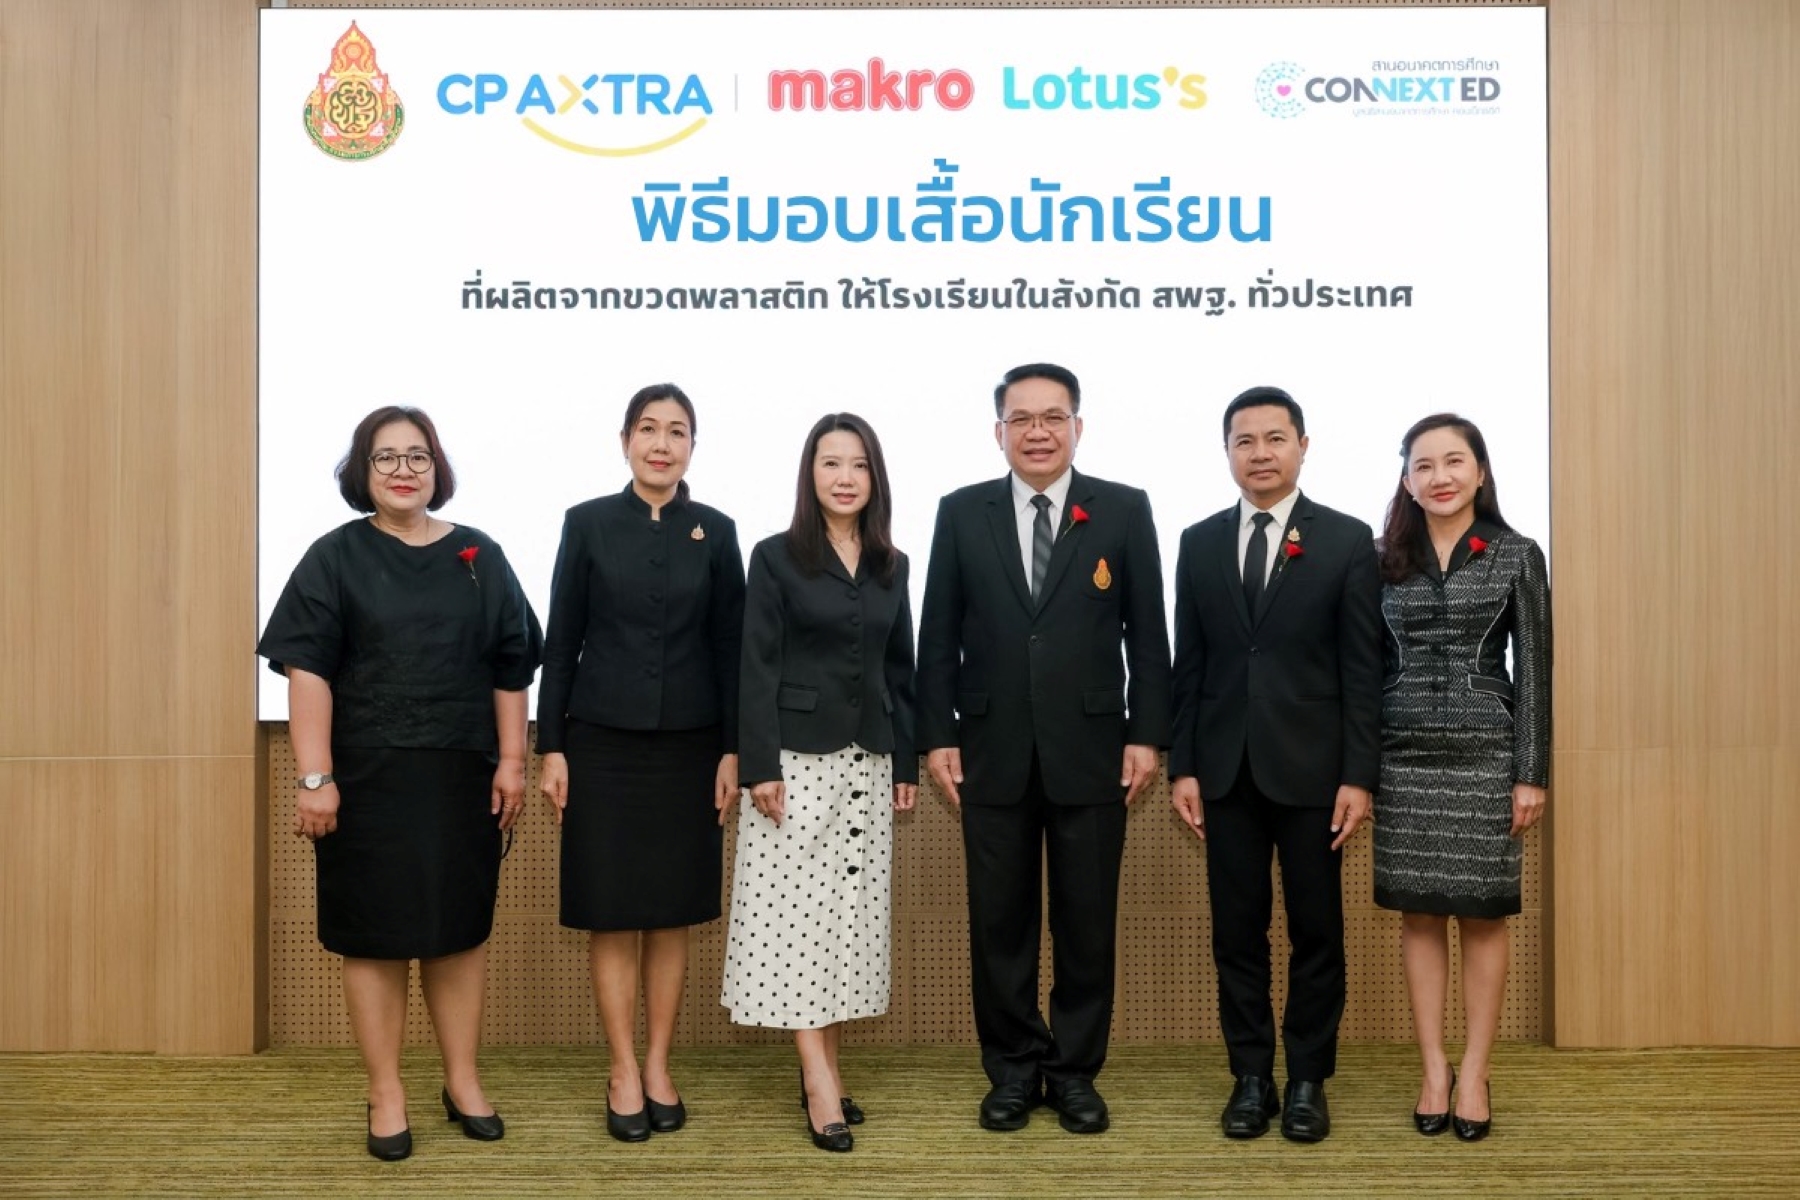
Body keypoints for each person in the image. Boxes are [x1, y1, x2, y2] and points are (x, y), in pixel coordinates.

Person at [258, 405, 542, 1161]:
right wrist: (314, 776)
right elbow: (307, 670)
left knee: (457, 935)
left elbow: (512, 666)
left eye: (418, 456)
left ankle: (462, 1081)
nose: (403, 470)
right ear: (363, 471)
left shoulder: (481, 555)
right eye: (385, 457)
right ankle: (385, 1091)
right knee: (374, 939)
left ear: (436, 468)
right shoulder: (335, 556)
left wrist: (513, 761)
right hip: (365, 781)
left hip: (462, 778)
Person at [916, 363, 1171, 1136]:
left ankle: (1074, 1073)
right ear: (999, 431)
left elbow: (1147, 636)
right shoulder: (962, 512)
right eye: (1021, 419)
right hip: (989, 751)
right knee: (1000, 925)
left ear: (1077, 428)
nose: (1038, 431)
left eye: (1053, 417)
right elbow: (938, 635)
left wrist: (1146, 734)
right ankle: (1014, 1070)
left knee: (1086, 924)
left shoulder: (1123, 509)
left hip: (1093, 752)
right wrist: (938, 735)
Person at [1168, 385, 1381, 1144]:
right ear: (1227, 452)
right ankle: (1251, 1077)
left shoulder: (1347, 540)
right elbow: (1188, 665)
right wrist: (1183, 766)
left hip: (1316, 776)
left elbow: (1363, 669)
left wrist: (1358, 775)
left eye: (1274, 438)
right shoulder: (1197, 541)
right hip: (1224, 773)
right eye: (1244, 441)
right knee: (1238, 933)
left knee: (1316, 932)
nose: (1259, 453)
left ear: (1302, 446)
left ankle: (1309, 1080)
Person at [536, 383, 745, 1143]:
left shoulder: (716, 532)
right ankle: (622, 1067)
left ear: (693, 446)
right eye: (648, 429)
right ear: (624, 440)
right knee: (613, 911)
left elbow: (731, 649)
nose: (662, 444)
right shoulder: (587, 523)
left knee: (670, 914)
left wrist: (733, 749)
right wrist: (552, 746)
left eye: (677, 431)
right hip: (601, 746)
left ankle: (659, 1064)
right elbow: (562, 639)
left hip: (690, 750)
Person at [721, 412, 917, 1155]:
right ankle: (816, 1083)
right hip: (794, 764)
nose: (845, 477)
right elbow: (756, 666)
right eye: (831, 463)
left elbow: (901, 670)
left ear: (876, 478)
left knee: (845, 924)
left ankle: (828, 1068)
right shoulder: (776, 557)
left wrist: (904, 762)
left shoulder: (893, 563)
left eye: (859, 465)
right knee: (796, 927)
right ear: (810, 474)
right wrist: (760, 767)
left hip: (869, 761)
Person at [1372, 413, 1550, 1142]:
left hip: (1485, 757)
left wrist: (1529, 774)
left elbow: (1534, 671)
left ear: (1480, 471)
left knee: (1482, 915)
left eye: (1453, 461)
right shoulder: (1383, 557)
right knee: (1418, 915)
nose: (1439, 476)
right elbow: (1366, 664)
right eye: (1423, 465)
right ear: (1407, 480)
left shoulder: (1516, 553)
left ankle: (1475, 1070)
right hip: (1401, 756)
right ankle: (1433, 1069)